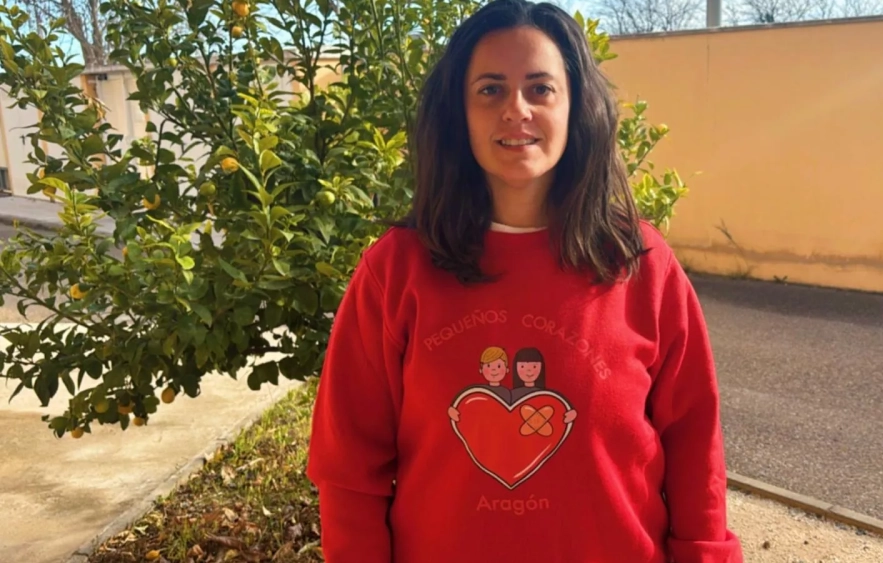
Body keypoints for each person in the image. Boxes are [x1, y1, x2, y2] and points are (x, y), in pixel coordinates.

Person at [306, 0, 744, 561]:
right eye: (490, 90)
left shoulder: (641, 263)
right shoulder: (395, 272)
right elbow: (348, 468)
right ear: (459, 113)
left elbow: (695, 447)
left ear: (576, 106)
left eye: (540, 88)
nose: (516, 109)